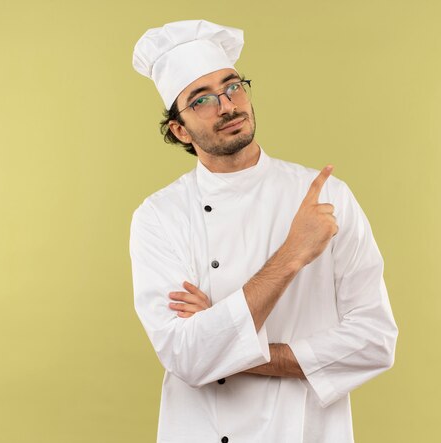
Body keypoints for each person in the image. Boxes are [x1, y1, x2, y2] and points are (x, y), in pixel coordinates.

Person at [129, 19, 398, 443]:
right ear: (179, 130)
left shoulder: (329, 198)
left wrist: (223, 339)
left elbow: (374, 341)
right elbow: (186, 356)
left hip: (306, 432)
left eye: (233, 87)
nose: (227, 106)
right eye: (201, 100)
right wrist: (294, 253)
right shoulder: (159, 217)